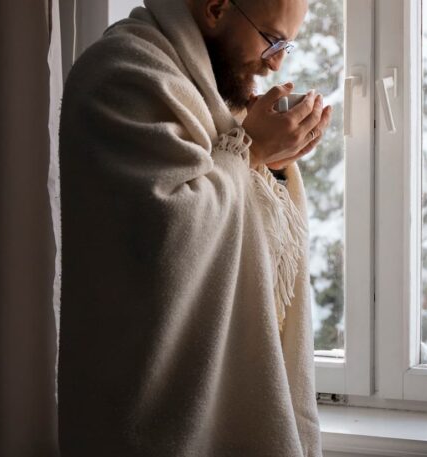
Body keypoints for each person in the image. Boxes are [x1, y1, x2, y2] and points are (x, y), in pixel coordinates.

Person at [57, 0, 329, 455]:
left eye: (287, 44)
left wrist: (273, 162)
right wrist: (253, 151)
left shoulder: (210, 89)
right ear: (217, 8)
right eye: (271, 38)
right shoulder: (122, 73)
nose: (278, 60)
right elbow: (167, 236)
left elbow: (233, 184)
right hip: (143, 408)